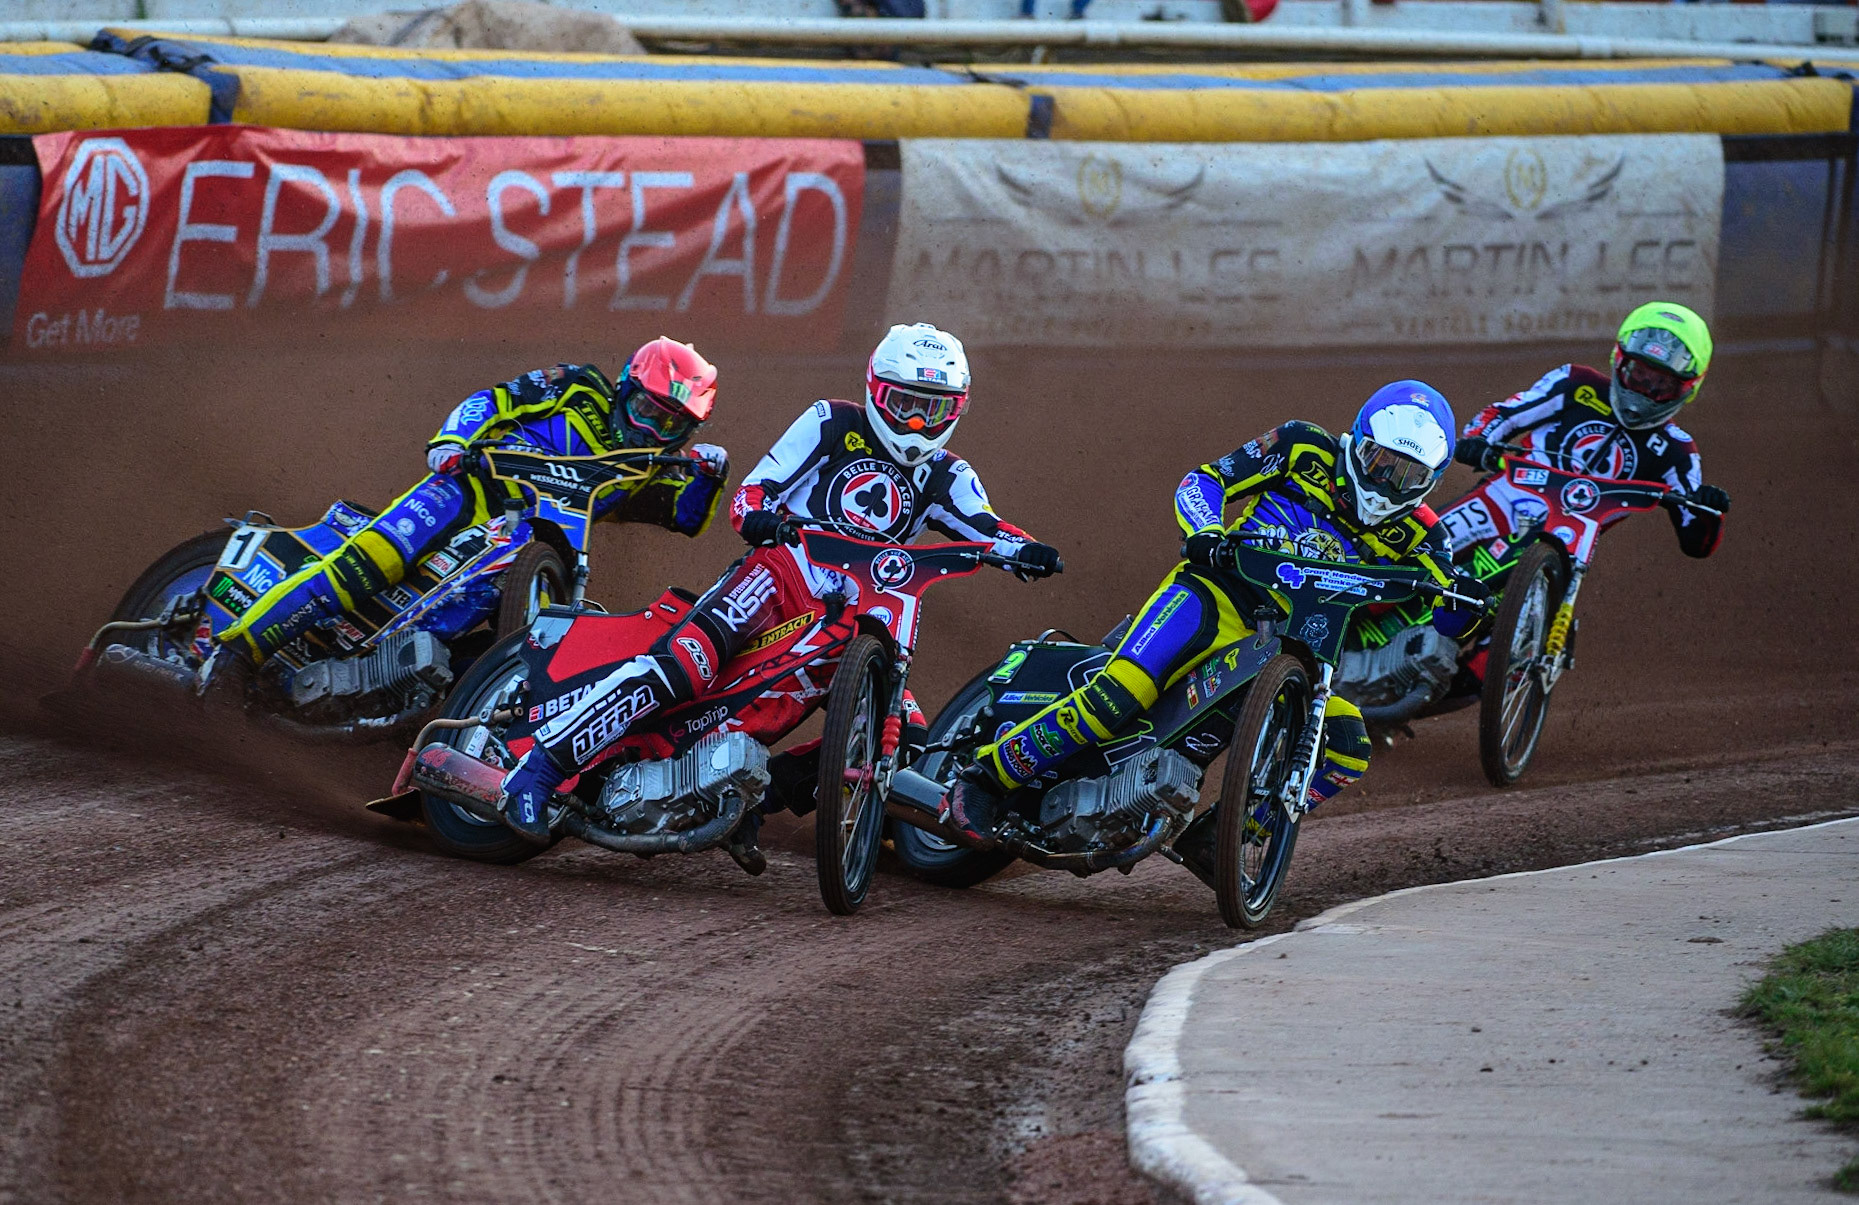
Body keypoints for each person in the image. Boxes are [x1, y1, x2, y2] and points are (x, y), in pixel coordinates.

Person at [497, 322, 1063, 849]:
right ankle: (540, 769)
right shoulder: (831, 422)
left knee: (905, 738)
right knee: (686, 665)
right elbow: (753, 491)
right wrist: (760, 517)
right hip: (779, 574)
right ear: (876, 389)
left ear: (957, 409)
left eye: (932, 409)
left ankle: (755, 799)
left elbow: (988, 528)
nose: (916, 424)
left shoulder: (948, 473)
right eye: (904, 405)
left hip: (857, 611)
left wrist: (1026, 551)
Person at [944, 380, 1490, 879]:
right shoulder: (1303, 446)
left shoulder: (1426, 537)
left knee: (1347, 747)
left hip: (1302, 646)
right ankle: (984, 779)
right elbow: (1205, 480)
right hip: (1216, 595)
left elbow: (1447, 608)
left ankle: (1224, 837)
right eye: (1380, 461)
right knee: (1118, 696)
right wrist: (1205, 531)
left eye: (1408, 476)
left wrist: (1468, 606)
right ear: (1357, 440)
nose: (1387, 482)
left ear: (1432, 481)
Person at [210, 339, 728, 687]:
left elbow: (683, 517)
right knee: (372, 562)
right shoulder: (578, 386)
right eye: (645, 410)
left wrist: (710, 477)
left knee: (503, 646)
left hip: (532, 545)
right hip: (468, 492)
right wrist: (453, 441)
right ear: (625, 387)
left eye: (670, 426)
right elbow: (495, 400)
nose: (650, 430)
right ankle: (235, 653)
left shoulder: (648, 466)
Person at [1453, 301, 1730, 558]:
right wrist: (1478, 440)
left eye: (1661, 384)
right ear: (1620, 360)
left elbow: (1696, 541)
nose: (1645, 390)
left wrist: (1709, 511)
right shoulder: (1576, 383)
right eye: (1639, 374)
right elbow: (1508, 414)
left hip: (1572, 537)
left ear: (1686, 388)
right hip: (1504, 497)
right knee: (1431, 544)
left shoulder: (1678, 451)